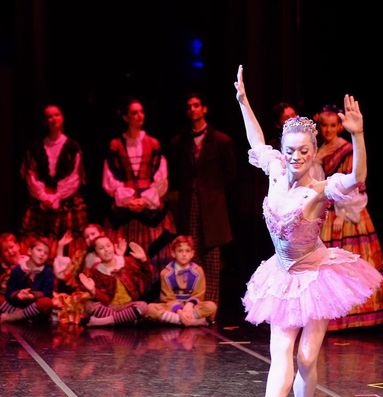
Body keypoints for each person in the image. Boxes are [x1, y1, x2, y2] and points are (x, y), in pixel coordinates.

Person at [234, 65, 382, 397]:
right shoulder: (276, 170)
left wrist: (359, 135)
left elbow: (356, 177)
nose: (295, 157)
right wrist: (244, 103)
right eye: (290, 151)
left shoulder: (319, 189)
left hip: (317, 276)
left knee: (306, 356)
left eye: (303, 151)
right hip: (282, 276)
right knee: (281, 352)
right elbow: (257, 140)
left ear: (313, 153)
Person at [316, 105, 383, 330]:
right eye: (324, 125)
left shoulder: (347, 150)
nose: (328, 130)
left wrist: (342, 213)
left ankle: (354, 315)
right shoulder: (320, 149)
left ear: (340, 126)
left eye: (333, 126)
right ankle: (329, 316)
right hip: (326, 212)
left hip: (347, 214)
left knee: (350, 262)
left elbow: (355, 186)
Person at [170, 92, 236, 306]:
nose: (193, 110)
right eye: (189, 106)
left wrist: (213, 192)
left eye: (196, 105)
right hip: (190, 201)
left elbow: (230, 173)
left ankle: (211, 304)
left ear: (204, 109)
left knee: (212, 253)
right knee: (190, 249)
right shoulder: (180, 141)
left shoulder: (220, 140)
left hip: (212, 204)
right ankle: (192, 303)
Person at [102, 98, 175, 274]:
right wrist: (128, 199)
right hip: (125, 208)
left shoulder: (153, 143)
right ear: (126, 117)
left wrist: (145, 199)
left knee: (155, 249)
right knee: (123, 248)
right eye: (134, 113)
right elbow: (110, 174)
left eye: (141, 112)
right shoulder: (116, 144)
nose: (139, 116)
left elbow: (160, 174)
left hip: (149, 206)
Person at [19, 104, 88, 257]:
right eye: (49, 116)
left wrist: (57, 196)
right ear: (45, 121)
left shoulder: (72, 146)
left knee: (68, 246)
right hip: (41, 203)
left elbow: (75, 176)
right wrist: (44, 196)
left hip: (66, 203)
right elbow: (31, 174)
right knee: (38, 244)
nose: (53, 119)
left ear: (62, 118)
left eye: (56, 115)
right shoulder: (36, 146)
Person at [78, 236, 151, 327]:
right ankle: (125, 319)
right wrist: (93, 290)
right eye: (101, 248)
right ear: (96, 253)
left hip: (128, 305)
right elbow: (106, 300)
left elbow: (147, 279)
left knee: (143, 306)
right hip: (110, 307)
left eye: (108, 246)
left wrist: (144, 260)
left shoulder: (127, 262)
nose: (106, 250)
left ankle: (104, 322)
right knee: (89, 306)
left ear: (113, 246)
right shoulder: (96, 272)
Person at [147, 235, 217, 326]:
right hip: (173, 309)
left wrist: (189, 306)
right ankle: (185, 321)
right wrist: (180, 312)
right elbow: (168, 298)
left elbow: (199, 294)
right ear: (173, 253)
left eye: (187, 251)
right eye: (180, 251)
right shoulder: (165, 273)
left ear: (192, 254)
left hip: (191, 308)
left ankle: (182, 320)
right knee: (149, 308)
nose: (184, 254)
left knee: (211, 306)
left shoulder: (198, 271)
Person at [0, 237, 54, 323]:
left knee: (47, 302)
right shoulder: (17, 270)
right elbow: (9, 291)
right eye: (39, 250)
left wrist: (32, 295)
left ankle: (17, 316)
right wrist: (18, 295)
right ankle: (24, 316)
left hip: (35, 306)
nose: (42, 254)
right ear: (29, 251)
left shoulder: (47, 272)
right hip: (17, 305)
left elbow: (48, 292)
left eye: (46, 253)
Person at [0, 233, 28, 303]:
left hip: (22, 295)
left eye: (11, 247)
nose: (10, 252)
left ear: (18, 246)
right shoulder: (3, 267)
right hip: (5, 296)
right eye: (5, 251)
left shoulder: (27, 261)